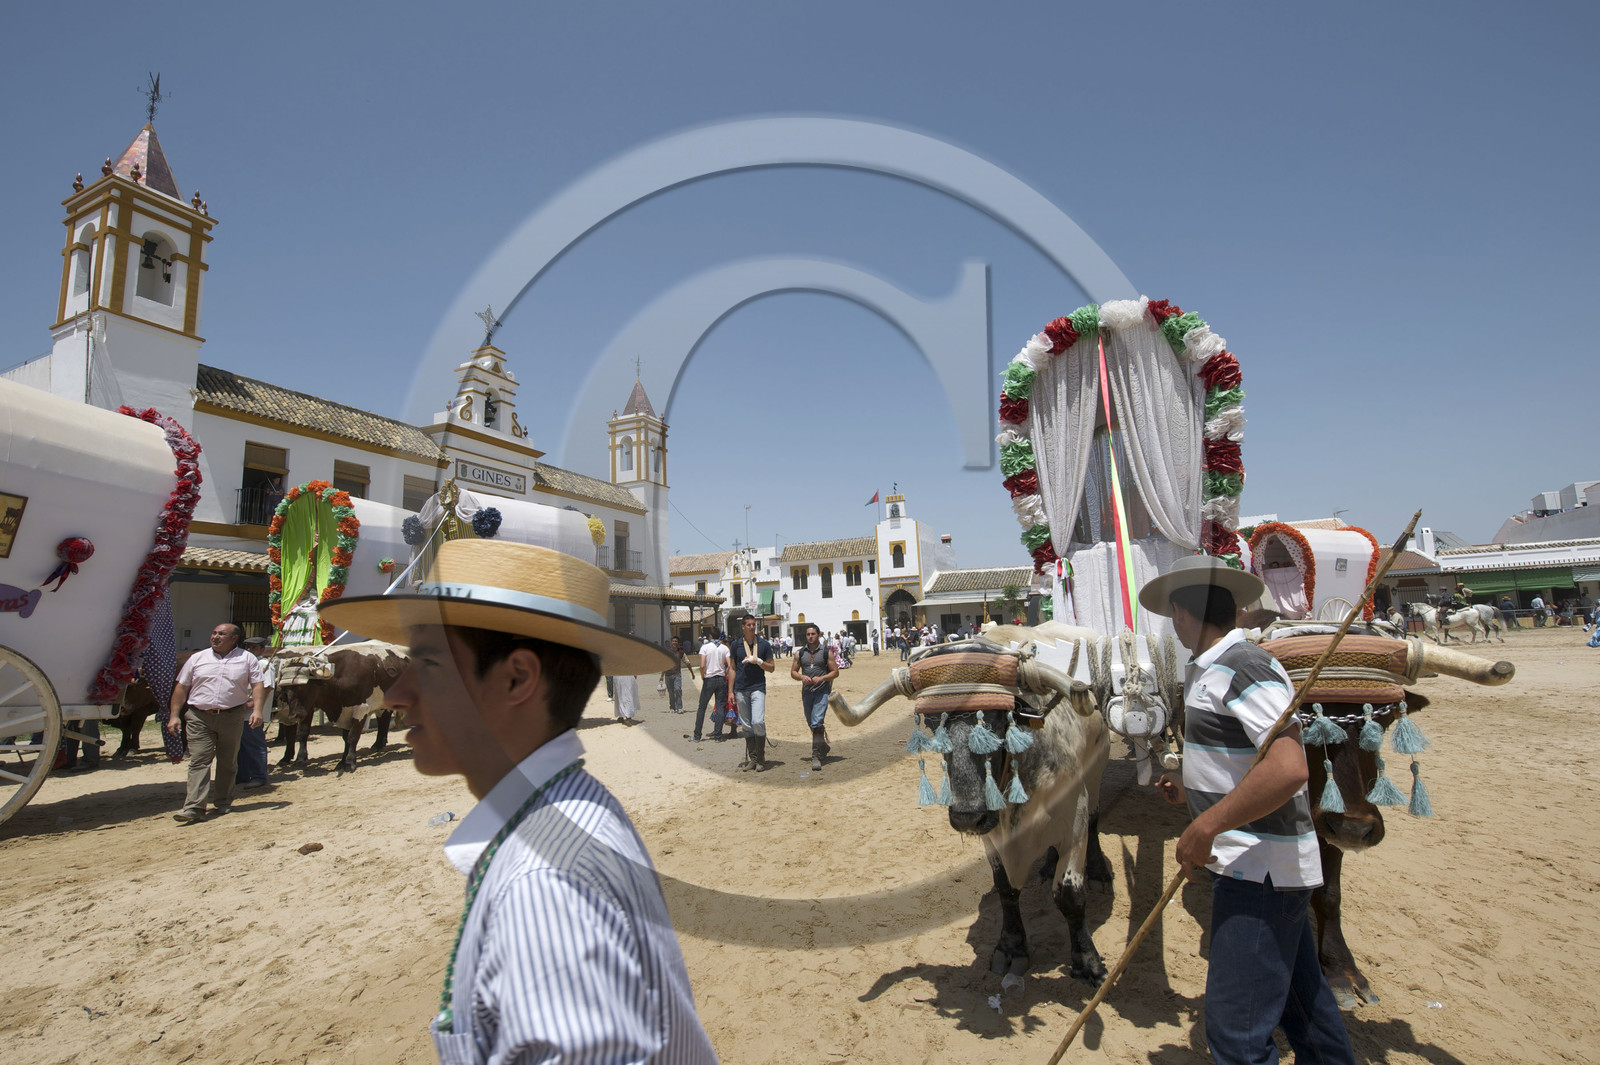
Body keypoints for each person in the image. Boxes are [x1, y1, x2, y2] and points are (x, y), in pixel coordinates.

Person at [320, 538, 717, 1062]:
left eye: (429, 663)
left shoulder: (547, 887)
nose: (397, 693)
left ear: (517, 677)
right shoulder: (562, 819)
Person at [1141, 556, 1354, 1065]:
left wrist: (1207, 825)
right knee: (1306, 1009)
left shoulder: (1242, 667)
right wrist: (1191, 786)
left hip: (1258, 871)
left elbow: (1287, 769)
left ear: (1179, 612)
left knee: (1236, 1035)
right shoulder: (1213, 668)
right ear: (1235, 609)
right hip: (1266, 869)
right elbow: (1243, 761)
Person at [167, 623, 265, 824]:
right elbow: (181, 687)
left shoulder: (247, 659)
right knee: (199, 760)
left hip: (232, 716)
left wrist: (257, 710)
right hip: (199, 717)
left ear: (234, 638)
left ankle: (223, 800)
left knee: (228, 761)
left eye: (222, 634)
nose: (215, 637)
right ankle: (194, 806)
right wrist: (174, 715)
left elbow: (257, 685)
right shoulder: (197, 658)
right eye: (214, 633)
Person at [791, 623, 839, 771]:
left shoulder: (826, 652)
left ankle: (816, 756)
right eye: (808, 634)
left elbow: (835, 672)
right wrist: (801, 677)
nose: (810, 637)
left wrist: (823, 678)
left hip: (821, 691)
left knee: (817, 722)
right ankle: (823, 746)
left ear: (818, 635)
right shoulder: (800, 653)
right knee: (811, 722)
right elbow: (793, 671)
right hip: (806, 692)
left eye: (813, 634)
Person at [729, 614, 774, 771]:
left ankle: (761, 758)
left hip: (757, 687)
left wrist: (759, 661)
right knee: (747, 725)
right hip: (741, 689)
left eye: (754, 624)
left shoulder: (764, 645)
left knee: (757, 722)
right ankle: (753, 759)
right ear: (743, 627)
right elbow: (732, 668)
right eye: (749, 625)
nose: (752, 627)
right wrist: (730, 691)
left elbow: (772, 667)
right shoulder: (735, 645)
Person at [235, 637, 275, 789]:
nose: (250, 650)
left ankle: (259, 776)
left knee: (254, 745)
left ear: (262, 649)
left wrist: (253, 704)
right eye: (247, 647)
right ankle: (242, 775)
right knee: (240, 746)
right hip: (239, 710)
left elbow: (267, 687)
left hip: (252, 712)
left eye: (254, 647)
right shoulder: (245, 663)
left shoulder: (264, 664)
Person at [693, 630, 731, 742]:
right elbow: (729, 665)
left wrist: (702, 676)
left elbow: (702, 665)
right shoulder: (724, 648)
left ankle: (697, 735)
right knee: (719, 706)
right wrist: (725, 674)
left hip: (709, 678)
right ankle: (718, 736)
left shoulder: (705, 647)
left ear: (710, 636)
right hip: (720, 678)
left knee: (702, 707)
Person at [661, 635, 694, 714]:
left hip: (677, 674)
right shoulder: (668, 652)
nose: (674, 643)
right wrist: (662, 676)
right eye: (673, 641)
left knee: (678, 690)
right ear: (671, 642)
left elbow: (687, 662)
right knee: (671, 692)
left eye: (676, 641)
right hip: (668, 675)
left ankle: (679, 707)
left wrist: (692, 673)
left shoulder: (681, 652)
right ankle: (672, 707)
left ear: (678, 643)